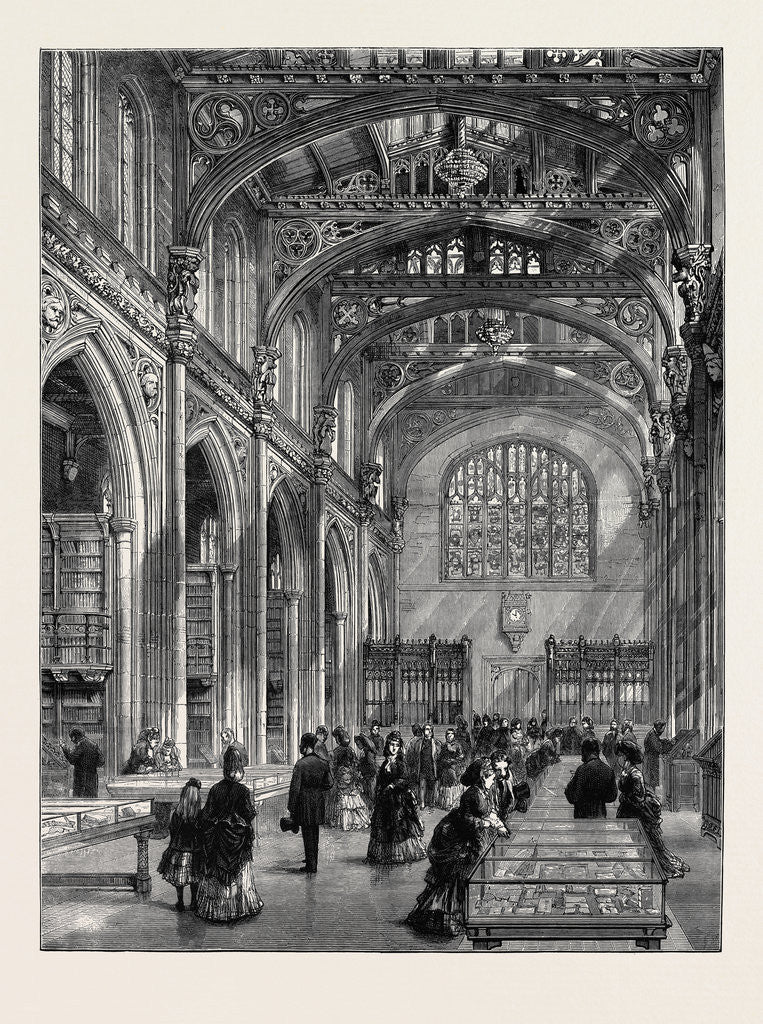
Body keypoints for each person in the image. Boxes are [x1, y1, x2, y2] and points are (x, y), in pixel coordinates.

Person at [406, 757, 508, 936]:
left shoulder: (484, 791)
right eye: (490, 775)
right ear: (482, 777)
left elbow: (489, 811)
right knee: (456, 880)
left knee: (468, 876)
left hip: (474, 837)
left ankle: (466, 913)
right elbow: (466, 820)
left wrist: (499, 824)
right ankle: (446, 919)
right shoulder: (473, 793)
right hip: (462, 840)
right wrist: (488, 825)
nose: (494, 779)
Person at [196, 747, 263, 922]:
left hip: (218, 840)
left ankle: (217, 910)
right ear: (239, 768)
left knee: (218, 874)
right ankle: (238, 908)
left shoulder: (215, 789)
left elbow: (206, 815)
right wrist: (254, 835)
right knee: (239, 874)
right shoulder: (243, 790)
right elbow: (249, 815)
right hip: (238, 839)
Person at [616, 737, 690, 879]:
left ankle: (658, 869)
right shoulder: (626, 771)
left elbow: (639, 799)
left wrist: (624, 798)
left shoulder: (635, 774)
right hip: (627, 812)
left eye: (619, 755)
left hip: (637, 815)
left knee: (649, 845)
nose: (617, 758)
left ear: (625, 756)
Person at [366, 731, 426, 865]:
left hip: (398, 799)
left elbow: (405, 780)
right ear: (388, 746)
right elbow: (381, 781)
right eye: (392, 745)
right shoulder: (385, 763)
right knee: (384, 826)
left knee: (399, 826)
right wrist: (379, 792)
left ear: (400, 748)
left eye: (396, 745)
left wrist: (393, 785)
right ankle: (385, 854)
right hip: (385, 800)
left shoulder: (400, 763)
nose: (393, 748)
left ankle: (399, 854)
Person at [288, 732, 333, 875]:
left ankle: (310, 866)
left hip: (304, 804)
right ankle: (313, 863)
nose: (300, 746)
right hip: (318, 803)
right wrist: (318, 789)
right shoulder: (323, 763)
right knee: (315, 834)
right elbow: (330, 783)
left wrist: (291, 808)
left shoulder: (300, 764)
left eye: (301, 744)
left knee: (307, 835)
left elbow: (295, 789)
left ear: (306, 746)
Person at [158, 777, 203, 911]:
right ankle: (194, 901)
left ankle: (180, 902)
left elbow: (172, 830)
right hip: (194, 851)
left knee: (180, 879)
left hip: (179, 850)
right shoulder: (199, 815)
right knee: (195, 878)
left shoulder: (177, 814)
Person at [326, 727, 371, 831]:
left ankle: (345, 823)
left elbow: (333, 765)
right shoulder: (350, 750)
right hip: (350, 776)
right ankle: (356, 821)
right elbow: (355, 763)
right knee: (352, 798)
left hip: (342, 776)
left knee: (343, 799)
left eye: (336, 738)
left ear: (338, 739)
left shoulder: (336, 751)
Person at [564, 737, 618, 818]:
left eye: (582, 751)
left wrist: (572, 782)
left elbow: (573, 797)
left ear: (585, 751)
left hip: (582, 817)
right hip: (600, 816)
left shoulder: (582, 770)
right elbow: (612, 797)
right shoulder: (608, 770)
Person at [60, 728, 104, 798]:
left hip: (81, 779)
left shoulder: (80, 745)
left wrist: (64, 748)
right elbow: (102, 761)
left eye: (72, 738)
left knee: (79, 800)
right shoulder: (94, 745)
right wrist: (92, 765)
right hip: (92, 778)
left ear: (74, 737)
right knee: (92, 799)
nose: (71, 740)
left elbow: (72, 759)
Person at [407, 722, 441, 810]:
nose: (429, 731)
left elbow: (439, 757)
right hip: (422, 767)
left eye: (430, 730)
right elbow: (414, 756)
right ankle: (422, 803)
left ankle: (431, 803)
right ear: (423, 731)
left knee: (431, 786)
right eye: (427, 729)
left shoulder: (437, 743)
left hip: (432, 767)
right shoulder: (418, 743)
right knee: (422, 786)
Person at [436, 728, 465, 810]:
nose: (449, 736)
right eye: (448, 734)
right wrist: (444, 761)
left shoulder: (457, 745)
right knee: (446, 786)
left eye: (451, 734)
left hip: (454, 767)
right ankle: (446, 804)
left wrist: (453, 760)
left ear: (454, 735)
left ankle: (454, 804)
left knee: (454, 784)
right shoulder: (444, 745)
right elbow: (440, 757)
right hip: (445, 768)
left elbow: (461, 756)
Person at [643, 720, 671, 791]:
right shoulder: (652, 735)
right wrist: (669, 746)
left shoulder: (653, 733)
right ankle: (651, 795)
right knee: (651, 778)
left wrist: (664, 741)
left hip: (651, 758)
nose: (663, 731)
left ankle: (652, 793)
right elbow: (659, 749)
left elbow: (658, 743)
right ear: (658, 728)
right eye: (662, 729)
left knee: (652, 779)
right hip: (650, 760)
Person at [490, 750, 515, 825]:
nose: (503, 774)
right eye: (498, 770)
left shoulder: (508, 778)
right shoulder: (488, 784)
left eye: (505, 769)